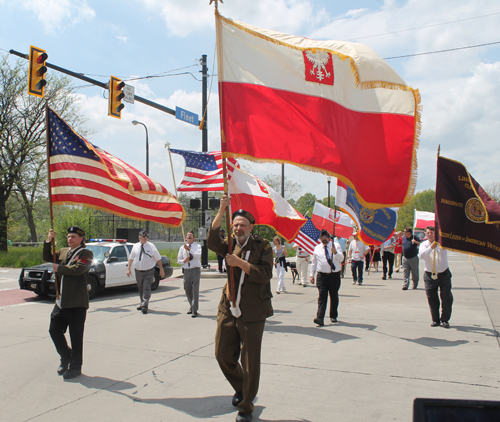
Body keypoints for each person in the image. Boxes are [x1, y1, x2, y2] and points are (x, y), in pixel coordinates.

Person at [207, 196, 273, 422]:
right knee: (222, 354)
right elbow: (211, 239)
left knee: (250, 360)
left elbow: (264, 275)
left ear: (251, 226)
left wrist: (240, 263)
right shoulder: (228, 243)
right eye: (235, 225)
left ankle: (246, 408)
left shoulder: (263, 246)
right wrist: (222, 210)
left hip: (253, 312)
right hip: (228, 306)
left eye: (242, 224)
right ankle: (242, 386)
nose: (238, 228)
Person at [44, 226, 93, 379]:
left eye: (73, 237)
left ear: (81, 239)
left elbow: (78, 269)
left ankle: (75, 366)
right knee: (54, 331)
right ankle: (66, 356)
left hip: (77, 303)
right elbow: (48, 257)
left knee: (76, 336)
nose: (70, 239)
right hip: (61, 301)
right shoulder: (64, 251)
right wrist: (48, 240)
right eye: (68, 236)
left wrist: (59, 268)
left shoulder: (86, 253)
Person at [419, 226, 453, 327]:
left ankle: (445, 319)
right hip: (430, 275)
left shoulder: (442, 244)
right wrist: (431, 247)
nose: (430, 234)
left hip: (443, 274)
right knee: (432, 298)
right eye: (428, 233)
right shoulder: (424, 245)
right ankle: (435, 319)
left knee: (446, 297)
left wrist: (438, 244)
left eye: (432, 233)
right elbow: (421, 256)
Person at [309, 230, 344, 326]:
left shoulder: (335, 246)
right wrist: (311, 275)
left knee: (334, 296)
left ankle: (333, 315)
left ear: (329, 238)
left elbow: (341, 259)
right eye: (322, 237)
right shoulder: (317, 248)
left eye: (326, 237)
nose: (324, 239)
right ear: (320, 238)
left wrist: (335, 253)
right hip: (322, 276)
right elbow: (314, 263)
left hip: (334, 275)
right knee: (322, 297)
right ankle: (320, 318)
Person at [127, 230, 164, 314]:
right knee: (140, 288)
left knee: (146, 287)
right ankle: (142, 302)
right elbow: (131, 258)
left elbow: (158, 259)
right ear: (140, 237)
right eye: (144, 236)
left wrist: (161, 269)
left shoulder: (151, 246)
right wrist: (128, 268)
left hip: (149, 271)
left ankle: (144, 305)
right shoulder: (135, 246)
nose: (146, 238)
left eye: (146, 236)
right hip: (138, 271)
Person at [177, 231, 202, 317]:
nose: (189, 236)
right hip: (187, 270)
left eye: (191, 235)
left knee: (195, 289)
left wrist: (189, 250)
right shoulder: (182, 248)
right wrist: (184, 261)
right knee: (187, 289)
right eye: (188, 235)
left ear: (194, 238)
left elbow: (198, 256)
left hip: (195, 269)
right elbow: (178, 260)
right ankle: (191, 306)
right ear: (186, 238)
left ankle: (194, 310)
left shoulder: (197, 246)